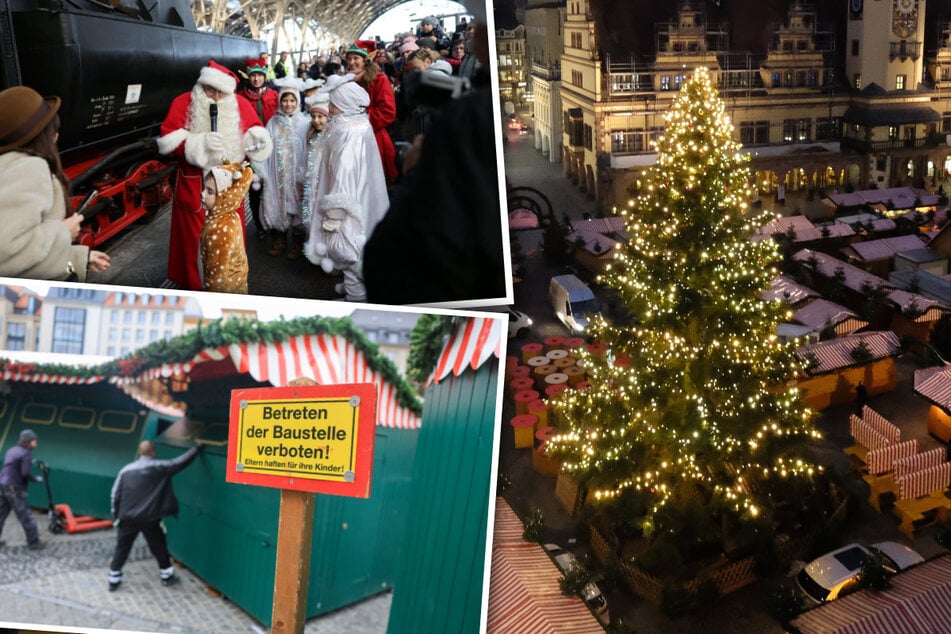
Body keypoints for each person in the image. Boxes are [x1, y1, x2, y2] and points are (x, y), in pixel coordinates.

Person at [363, 14, 506, 304]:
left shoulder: (471, 114)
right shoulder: (475, 101)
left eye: (478, 18)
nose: (472, 30)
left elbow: (396, 264)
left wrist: (418, 170)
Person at [157, 60, 273, 290]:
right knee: (194, 244)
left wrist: (256, 142)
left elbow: (253, 131)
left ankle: (227, 285)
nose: (215, 97)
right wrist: (197, 143)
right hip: (195, 187)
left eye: (220, 92)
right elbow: (167, 144)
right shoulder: (183, 103)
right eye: (210, 90)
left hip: (229, 189)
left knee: (229, 240)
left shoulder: (239, 104)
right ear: (201, 86)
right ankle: (197, 288)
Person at [0, 86, 110, 282]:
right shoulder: (29, 167)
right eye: (54, 131)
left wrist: (77, 258)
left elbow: (26, 254)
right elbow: (6, 252)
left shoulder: (8, 164)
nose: (57, 136)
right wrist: (63, 231)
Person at [304, 75, 389, 302]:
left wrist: (335, 215)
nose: (329, 109)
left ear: (344, 105)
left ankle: (356, 297)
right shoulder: (359, 125)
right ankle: (353, 286)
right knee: (360, 241)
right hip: (362, 197)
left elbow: (343, 173)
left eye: (333, 104)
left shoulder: (345, 132)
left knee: (347, 248)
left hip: (346, 204)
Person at [107, 440, 203, 591]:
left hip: (127, 518)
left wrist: (117, 514)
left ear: (139, 452)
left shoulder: (125, 470)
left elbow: (115, 494)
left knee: (122, 548)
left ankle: (113, 579)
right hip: (150, 518)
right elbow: (180, 462)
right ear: (153, 452)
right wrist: (197, 448)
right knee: (158, 546)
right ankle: (167, 576)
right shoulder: (160, 468)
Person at [257, 78, 311, 259]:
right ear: (280, 101)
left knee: (297, 203)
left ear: (297, 101)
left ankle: (297, 241)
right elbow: (265, 145)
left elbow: (308, 147)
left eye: (292, 100)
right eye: (285, 100)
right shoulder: (273, 122)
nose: (288, 104)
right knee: (279, 202)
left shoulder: (304, 122)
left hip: (297, 173)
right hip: (278, 174)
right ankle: (280, 237)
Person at [237, 58, 279, 240]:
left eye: (259, 76)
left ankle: (275, 222)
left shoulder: (274, 95)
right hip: (251, 151)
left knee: (274, 186)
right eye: (253, 76)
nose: (256, 79)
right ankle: (259, 224)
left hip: (273, 150)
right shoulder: (240, 97)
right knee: (254, 190)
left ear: (264, 76)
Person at [344, 41, 398, 181]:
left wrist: (360, 122)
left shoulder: (379, 79)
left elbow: (387, 111)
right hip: (349, 139)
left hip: (373, 138)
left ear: (365, 60)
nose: (351, 62)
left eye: (356, 58)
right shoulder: (345, 81)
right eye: (349, 59)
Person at [200, 162, 253, 293]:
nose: (202, 194)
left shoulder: (219, 230)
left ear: (225, 198)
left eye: (210, 191)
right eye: (204, 188)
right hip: (237, 284)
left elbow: (217, 280)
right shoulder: (230, 215)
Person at [0, 430, 44, 550]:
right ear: (28, 441)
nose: (37, 443)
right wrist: (36, 479)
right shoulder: (26, 454)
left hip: (3, 484)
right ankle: (34, 542)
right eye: (35, 441)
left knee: (1, 514)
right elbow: (25, 473)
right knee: (25, 515)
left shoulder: (11, 450)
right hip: (15, 488)